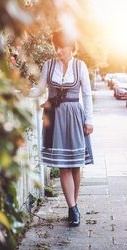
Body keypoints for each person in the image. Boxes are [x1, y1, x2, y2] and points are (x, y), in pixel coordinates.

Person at [28, 30, 94, 227]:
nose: (58, 50)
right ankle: (73, 208)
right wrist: (22, 90)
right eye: (55, 46)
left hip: (75, 116)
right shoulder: (48, 66)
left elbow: (87, 95)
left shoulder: (80, 66)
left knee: (76, 164)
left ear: (71, 47)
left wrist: (89, 120)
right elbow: (40, 90)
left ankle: (73, 205)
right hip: (55, 116)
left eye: (62, 47)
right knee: (64, 164)